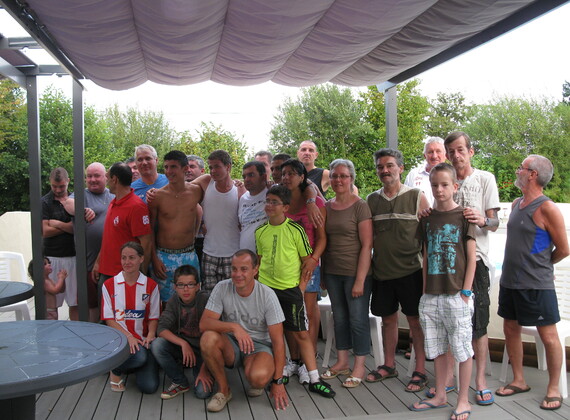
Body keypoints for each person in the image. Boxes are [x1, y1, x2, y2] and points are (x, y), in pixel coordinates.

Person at [496, 155, 569, 411]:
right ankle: (519, 380)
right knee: (510, 328)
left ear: (532, 174)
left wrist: (542, 265)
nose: (517, 171)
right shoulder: (517, 203)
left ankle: (553, 388)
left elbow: (564, 249)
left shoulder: (547, 208)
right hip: (509, 282)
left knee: (548, 336)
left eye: (521, 168)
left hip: (537, 285)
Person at [256, 184, 335, 398]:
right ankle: (279, 373)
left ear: (285, 207)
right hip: (267, 291)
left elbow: (307, 262)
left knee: (301, 333)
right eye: (268, 201)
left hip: (291, 290)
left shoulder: (296, 230)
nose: (269, 205)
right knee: (275, 333)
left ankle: (314, 378)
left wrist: (300, 288)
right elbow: (260, 262)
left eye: (275, 202)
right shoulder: (260, 231)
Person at [411, 163, 476, 420]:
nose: (439, 189)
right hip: (431, 295)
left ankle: (463, 400)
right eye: (435, 185)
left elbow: (471, 258)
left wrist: (466, 293)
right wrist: (425, 291)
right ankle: (440, 395)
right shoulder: (427, 218)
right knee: (437, 348)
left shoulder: (465, 216)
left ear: (455, 186)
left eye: (445, 184)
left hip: (457, 294)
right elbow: (426, 256)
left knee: (462, 350)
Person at [443, 131, 500, 405]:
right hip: (449, 262)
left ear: (470, 151)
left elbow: (495, 223)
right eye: (451, 151)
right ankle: (449, 377)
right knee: (449, 320)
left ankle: (480, 380)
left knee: (479, 323)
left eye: (460, 150)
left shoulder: (485, 178)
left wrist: (482, 220)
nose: (456, 155)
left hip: (476, 261)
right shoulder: (444, 179)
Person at [366, 148, 430, 392]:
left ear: (401, 168)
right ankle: (389, 365)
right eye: (380, 167)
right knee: (388, 320)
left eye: (390, 165)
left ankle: (420, 370)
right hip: (382, 272)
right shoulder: (372, 200)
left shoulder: (416, 197)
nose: (385, 170)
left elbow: (428, 239)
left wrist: (428, 276)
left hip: (412, 271)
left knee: (415, 321)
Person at [199, 250, 289, 412]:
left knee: (258, 378)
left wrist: (278, 381)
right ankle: (224, 390)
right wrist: (234, 327)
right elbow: (204, 323)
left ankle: (255, 373)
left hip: (259, 346)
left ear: (255, 270)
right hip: (232, 342)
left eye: (244, 269)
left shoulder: (267, 295)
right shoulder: (222, 287)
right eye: (234, 269)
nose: (238, 274)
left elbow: (278, 341)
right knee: (208, 338)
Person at [320, 159, 373, 388]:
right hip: (333, 273)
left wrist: (360, 280)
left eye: (343, 176)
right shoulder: (326, 206)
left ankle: (359, 365)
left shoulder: (360, 206)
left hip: (355, 273)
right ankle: (342, 361)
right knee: (339, 318)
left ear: (351, 178)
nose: (338, 180)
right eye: (334, 175)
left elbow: (367, 245)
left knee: (358, 319)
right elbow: (324, 241)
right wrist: (323, 273)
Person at [280, 159, 326, 383]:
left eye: (291, 173)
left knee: (307, 314)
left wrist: (314, 259)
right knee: (289, 315)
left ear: (302, 177)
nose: (286, 177)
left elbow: (322, 238)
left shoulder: (316, 202)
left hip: (309, 266)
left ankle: (310, 362)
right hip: (286, 267)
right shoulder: (282, 201)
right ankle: (295, 360)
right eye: (284, 173)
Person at [101, 242, 160, 394]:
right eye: (124, 258)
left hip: (143, 342)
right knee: (140, 357)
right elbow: (109, 319)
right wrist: (128, 336)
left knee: (149, 387)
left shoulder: (151, 285)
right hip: (120, 341)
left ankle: (127, 364)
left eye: (131, 258)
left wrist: (151, 334)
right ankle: (115, 369)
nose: (127, 262)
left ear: (141, 259)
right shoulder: (109, 285)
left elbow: (153, 317)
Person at [152, 265, 213, 400]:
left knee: (202, 393)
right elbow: (161, 328)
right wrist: (183, 343)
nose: (185, 289)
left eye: (190, 284)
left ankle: (205, 371)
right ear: (175, 287)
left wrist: (205, 370)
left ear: (198, 286)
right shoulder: (174, 301)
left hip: (205, 352)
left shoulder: (205, 300)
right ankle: (180, 381)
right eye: (181, 285)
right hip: (183, 348)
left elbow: (217, 336)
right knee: (157, 345)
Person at [148, 151, 202, 303]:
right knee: (164, 303)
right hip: (163, 257)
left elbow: (213, 178)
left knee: (191, 302)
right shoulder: (157, 196)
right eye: (166, 167)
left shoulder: (196, 191)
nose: (168, 171)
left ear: (185, 168)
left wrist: (238, 184)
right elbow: (149, 230)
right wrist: (154, 259)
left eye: (173, 167)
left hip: (188, 255)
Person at [64, 162, 114, 322]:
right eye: (89, 176)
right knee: (92, 305)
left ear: (105, 177)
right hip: (88, 264)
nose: (92, 179)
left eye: (96, 176)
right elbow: (68, 204)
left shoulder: (113, 195)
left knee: (112, 305)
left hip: (112, 263)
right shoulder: (81, 195)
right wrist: (82, 210)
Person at [93, 162, 152, 297]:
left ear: (115, 179)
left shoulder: (136, 206)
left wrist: (140, 274)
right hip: (106, 272)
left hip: (125, 276)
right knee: (105, 310)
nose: (107, 181)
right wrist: (98, 262)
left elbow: (146, 242)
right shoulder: (113, 203)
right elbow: (109, 238)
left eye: (108, 177)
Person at [192, 150, 246, 291]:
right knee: (210, 297)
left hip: (233, 254)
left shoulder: (240, 189)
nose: (212, 171)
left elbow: (244, 222)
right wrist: (156, 191)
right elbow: (183, 189)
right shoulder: (206, 181)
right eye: (210, 167)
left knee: (232, 296)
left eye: (217, 166)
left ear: (228, 167)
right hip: (209, 253)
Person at [42, 167, 78, 320]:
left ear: (68, 181)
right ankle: (52, 332)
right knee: (51, 304)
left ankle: (76, 331)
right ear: (50, 183)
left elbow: (78, 229)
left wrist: (57, 224)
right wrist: (68, 227)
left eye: (62, 186)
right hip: (52, 257)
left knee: (75, 302)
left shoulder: (75, 200)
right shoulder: (44, 202)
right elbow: (44, 231)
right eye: (54, 186)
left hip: (73, 256)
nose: (58, 190)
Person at [404, 136, 446, 204]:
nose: (434, 156)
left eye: (438, 151)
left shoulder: (453, 175)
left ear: (445, 155)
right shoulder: (413, 175)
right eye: (430, 152)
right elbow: (405, 201)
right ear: (424, 155)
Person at [238, 161, 268, 252]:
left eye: (251, 175)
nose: (246, 179)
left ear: (263, 177)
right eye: (244, 176)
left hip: (266, 255)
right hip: (245, 254)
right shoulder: (243, 198)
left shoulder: (272, 194)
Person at [185, 155, 206, 263]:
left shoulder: (210, 188)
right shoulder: (176, 190)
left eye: (192, 166)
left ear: (202, 171)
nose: (188, 170)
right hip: (185, 242)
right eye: (186, 167)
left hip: (206, 241)